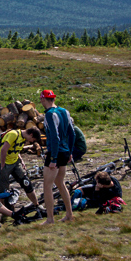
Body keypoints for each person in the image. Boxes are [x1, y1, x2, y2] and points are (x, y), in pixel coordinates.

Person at [40, 89, 76, 224]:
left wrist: (53, 158)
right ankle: (69, 214)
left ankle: (50, 218)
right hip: (65, 150)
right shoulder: (64, 111)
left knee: (47, 185)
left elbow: (54, 136)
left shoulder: (49, 114)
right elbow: (72, 133)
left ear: (44, 100)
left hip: (55, 152)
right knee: (60, 183)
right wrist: (70, 151)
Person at [0, 127, 41, 212]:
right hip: (3, 163)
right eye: (33, 139)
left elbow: (15, 149)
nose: (31, 142)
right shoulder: (13, 134)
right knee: (3, 189)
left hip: (15, 163)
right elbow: (4, 150)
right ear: (31, 134)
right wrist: (2, 165)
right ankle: (7, 212)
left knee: (26, 183)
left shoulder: (23, 138)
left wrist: (21, 160)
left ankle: (36, 205)